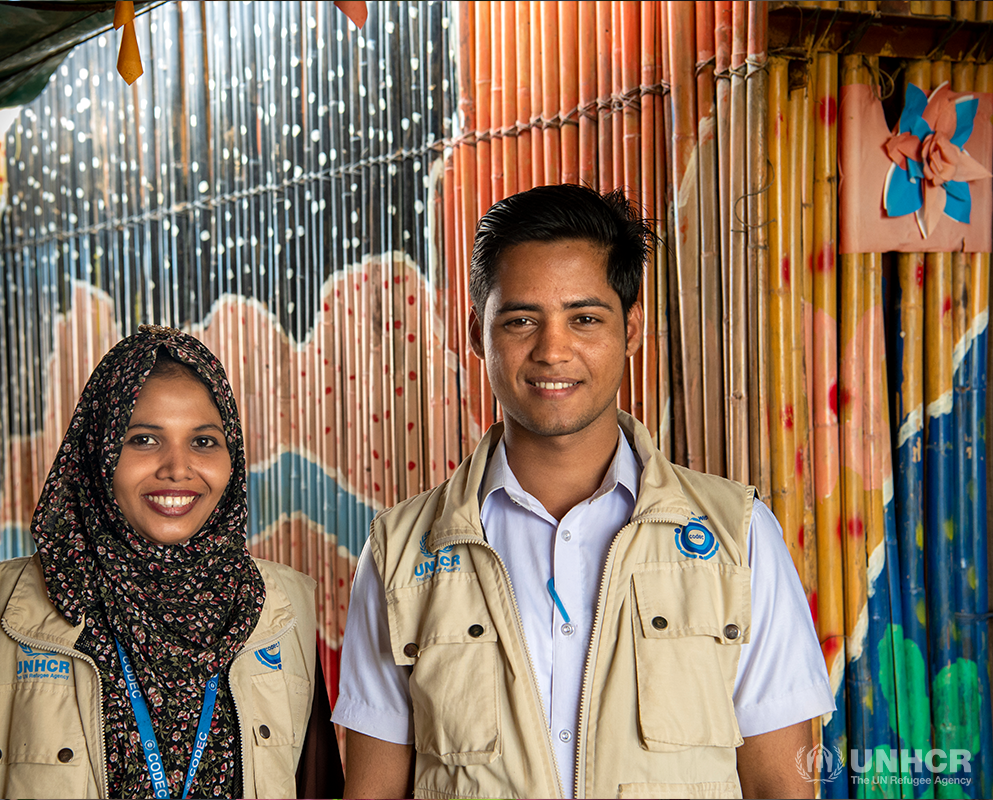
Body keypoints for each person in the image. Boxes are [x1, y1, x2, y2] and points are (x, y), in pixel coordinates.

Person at [333, 185, 834, 799]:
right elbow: (373, 793)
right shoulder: (400, 555)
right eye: (520, 320)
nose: (552, 350)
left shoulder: (739, 536)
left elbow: (782, 786)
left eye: (585, 318)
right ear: (477, 333)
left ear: (631, 329)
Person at [0, 325, 343, 799]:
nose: (178, 468)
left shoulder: (282, 611)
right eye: (143, 439)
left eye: (203, 441)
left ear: (232, 457)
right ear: (98, 451)